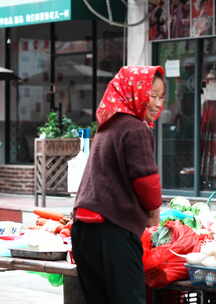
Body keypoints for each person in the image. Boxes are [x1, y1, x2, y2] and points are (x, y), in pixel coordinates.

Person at [71, 66, 166, 304]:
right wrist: (154, 212)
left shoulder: (108, 126)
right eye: (151, 95)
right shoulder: (134, 128)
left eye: (161, 97)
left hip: (83, 229)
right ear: (134, 92)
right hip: (113, 230)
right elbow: (146, 179)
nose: (156, 103)